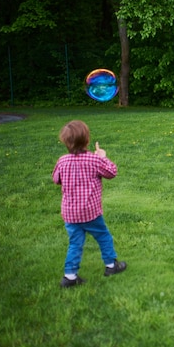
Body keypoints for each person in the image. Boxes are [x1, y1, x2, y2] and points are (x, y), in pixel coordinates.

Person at [52, 120, 127, 288]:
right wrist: (103, 157)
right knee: (103, 236)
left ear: (65, 142)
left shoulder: (62, 160)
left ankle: (70, 276)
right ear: (86, 141)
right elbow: (111, 172)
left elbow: (56, 179)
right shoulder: (94, 160)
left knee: (75, 243)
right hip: (90, 212)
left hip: (70, 213)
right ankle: (111, 266)